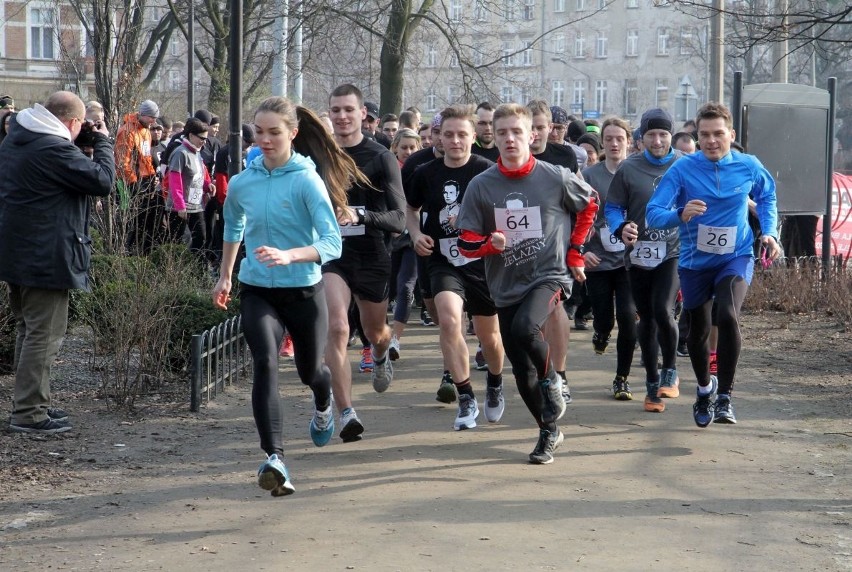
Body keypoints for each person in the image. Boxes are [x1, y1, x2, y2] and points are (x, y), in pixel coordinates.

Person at [212, 97, 359, 497]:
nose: (265, 140)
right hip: (257, 288)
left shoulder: (307, 180)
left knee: (311, 370)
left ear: (292, 133)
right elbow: (233, 225)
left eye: (274, 132)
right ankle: (274, 458)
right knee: (264, 361)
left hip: (303, 288)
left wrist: (290, 255)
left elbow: (331, 243)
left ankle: (324, 398)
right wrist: (226, 276)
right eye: (259, 132)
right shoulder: (244, 181)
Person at [456, 103, 597, 464]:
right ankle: (548, 431)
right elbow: (465, 243)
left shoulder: (555, 176)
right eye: (502, 133)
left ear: (532, 135)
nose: (509, 139)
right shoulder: (481, 185)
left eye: (516, 132)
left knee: (523, 327)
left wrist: (576, 251)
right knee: (520, 368)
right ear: (493, 137)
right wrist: (491, 243)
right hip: (505, 282)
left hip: (548, 275)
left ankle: (553, 380)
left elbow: (590, 205)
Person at [646, 101, 780, 427]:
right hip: (695, 262)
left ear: (731, 134)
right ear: (697, 136)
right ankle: (705, 388)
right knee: (698, 330)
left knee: (728, 314)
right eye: (704, 135)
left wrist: (771, 232)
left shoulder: (748, 165)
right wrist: (680, 214)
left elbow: (767, 196)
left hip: (736, 255)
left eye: (718, 134)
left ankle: (725, 398)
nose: (711, 141)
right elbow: (653, 214)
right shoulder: (682, 169)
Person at [0, 91, 114, 434]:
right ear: (74, 122)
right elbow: (103, 181)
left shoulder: (19, 138)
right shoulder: (53, 148)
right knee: (44, 335)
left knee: (30, 330)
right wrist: (104, 143)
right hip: (45, 256)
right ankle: (29, 413)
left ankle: (31, 403)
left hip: (18, 252)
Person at [406, 105, 506, 429]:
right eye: (448, 134)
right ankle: (465, 398)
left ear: (473, 137)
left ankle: (494, 382)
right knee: (449, 320)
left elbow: (503, 216)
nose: (455, 140)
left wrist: (496, 236)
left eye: (462, 134)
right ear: (439, 136)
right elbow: (410, 208)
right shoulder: (425, 173)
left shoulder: (487, 171)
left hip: (481, 261)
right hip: (442, 258)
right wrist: (416, 233)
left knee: (489, 338)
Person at [326, 84, 406, 442]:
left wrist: (360, 218)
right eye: (335, 110)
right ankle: (346, 413)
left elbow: (399, 219)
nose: (342, 116)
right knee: (338, 328)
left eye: (348, 109)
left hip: (372, 254)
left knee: (376, 332)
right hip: (331, 255)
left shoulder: (380, 157)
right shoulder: (318, 156)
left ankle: (381, 351)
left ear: (363, 114)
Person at [605, 108, 682, 413]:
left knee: (664, 310)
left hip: (673, 251)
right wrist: (621, 227)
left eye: (663, 134)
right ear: (641, 138)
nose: (658, 140)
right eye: (651, 134)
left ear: (670, 136)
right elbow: (612, 208)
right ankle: (652, 385)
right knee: (646, 318)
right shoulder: (629, 168)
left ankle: (670, 370)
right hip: (638, 253)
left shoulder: (683, 165)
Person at [581, 117, 638, 400]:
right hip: (598, 259)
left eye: (620, 138)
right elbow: (574, 215)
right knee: (604, 318)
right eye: (609, 139)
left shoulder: (638, 171)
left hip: (630, 260)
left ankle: (622, 379)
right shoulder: (590, 176)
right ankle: (601, 333)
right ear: (602, 142)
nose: (614, 144)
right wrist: (582, 250)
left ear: (629, 141)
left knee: (629, 317)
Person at [388, 128, 422, 360]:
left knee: (406, 286)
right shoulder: (388, 170)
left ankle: (395, 339)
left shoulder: (422, 171)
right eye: (404, 147)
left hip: (413, 236)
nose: (408, 152)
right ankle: (378, 338)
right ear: (395, 149)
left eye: (413, 147)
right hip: (390, 236)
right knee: (386, 289)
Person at [166, 118, 215, 262]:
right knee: (176, 243)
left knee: (201, 238)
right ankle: (176, 271)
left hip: (196, 205)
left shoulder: (197, 153)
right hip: (179, 209)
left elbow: (198, 176)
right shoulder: (180, 153)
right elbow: (174, 182)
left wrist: (207, 185)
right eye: (202, 138)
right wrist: (180, 205)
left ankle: (194, 269)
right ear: (191, 135)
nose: (204, 142)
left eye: (206, 138)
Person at [115, 99, 160, 255]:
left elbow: (146, 157)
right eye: (151, 118)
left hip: (146, 180)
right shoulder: (127, 131)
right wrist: (133, 183)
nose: (153, 121)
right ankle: (126, 251)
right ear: (142, 115)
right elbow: (123, 162)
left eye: (155, 118)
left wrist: (153, 174)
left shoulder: (146, 131)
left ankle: (142, 252)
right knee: (132, 221)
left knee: (147, 221)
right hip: (132, 183)